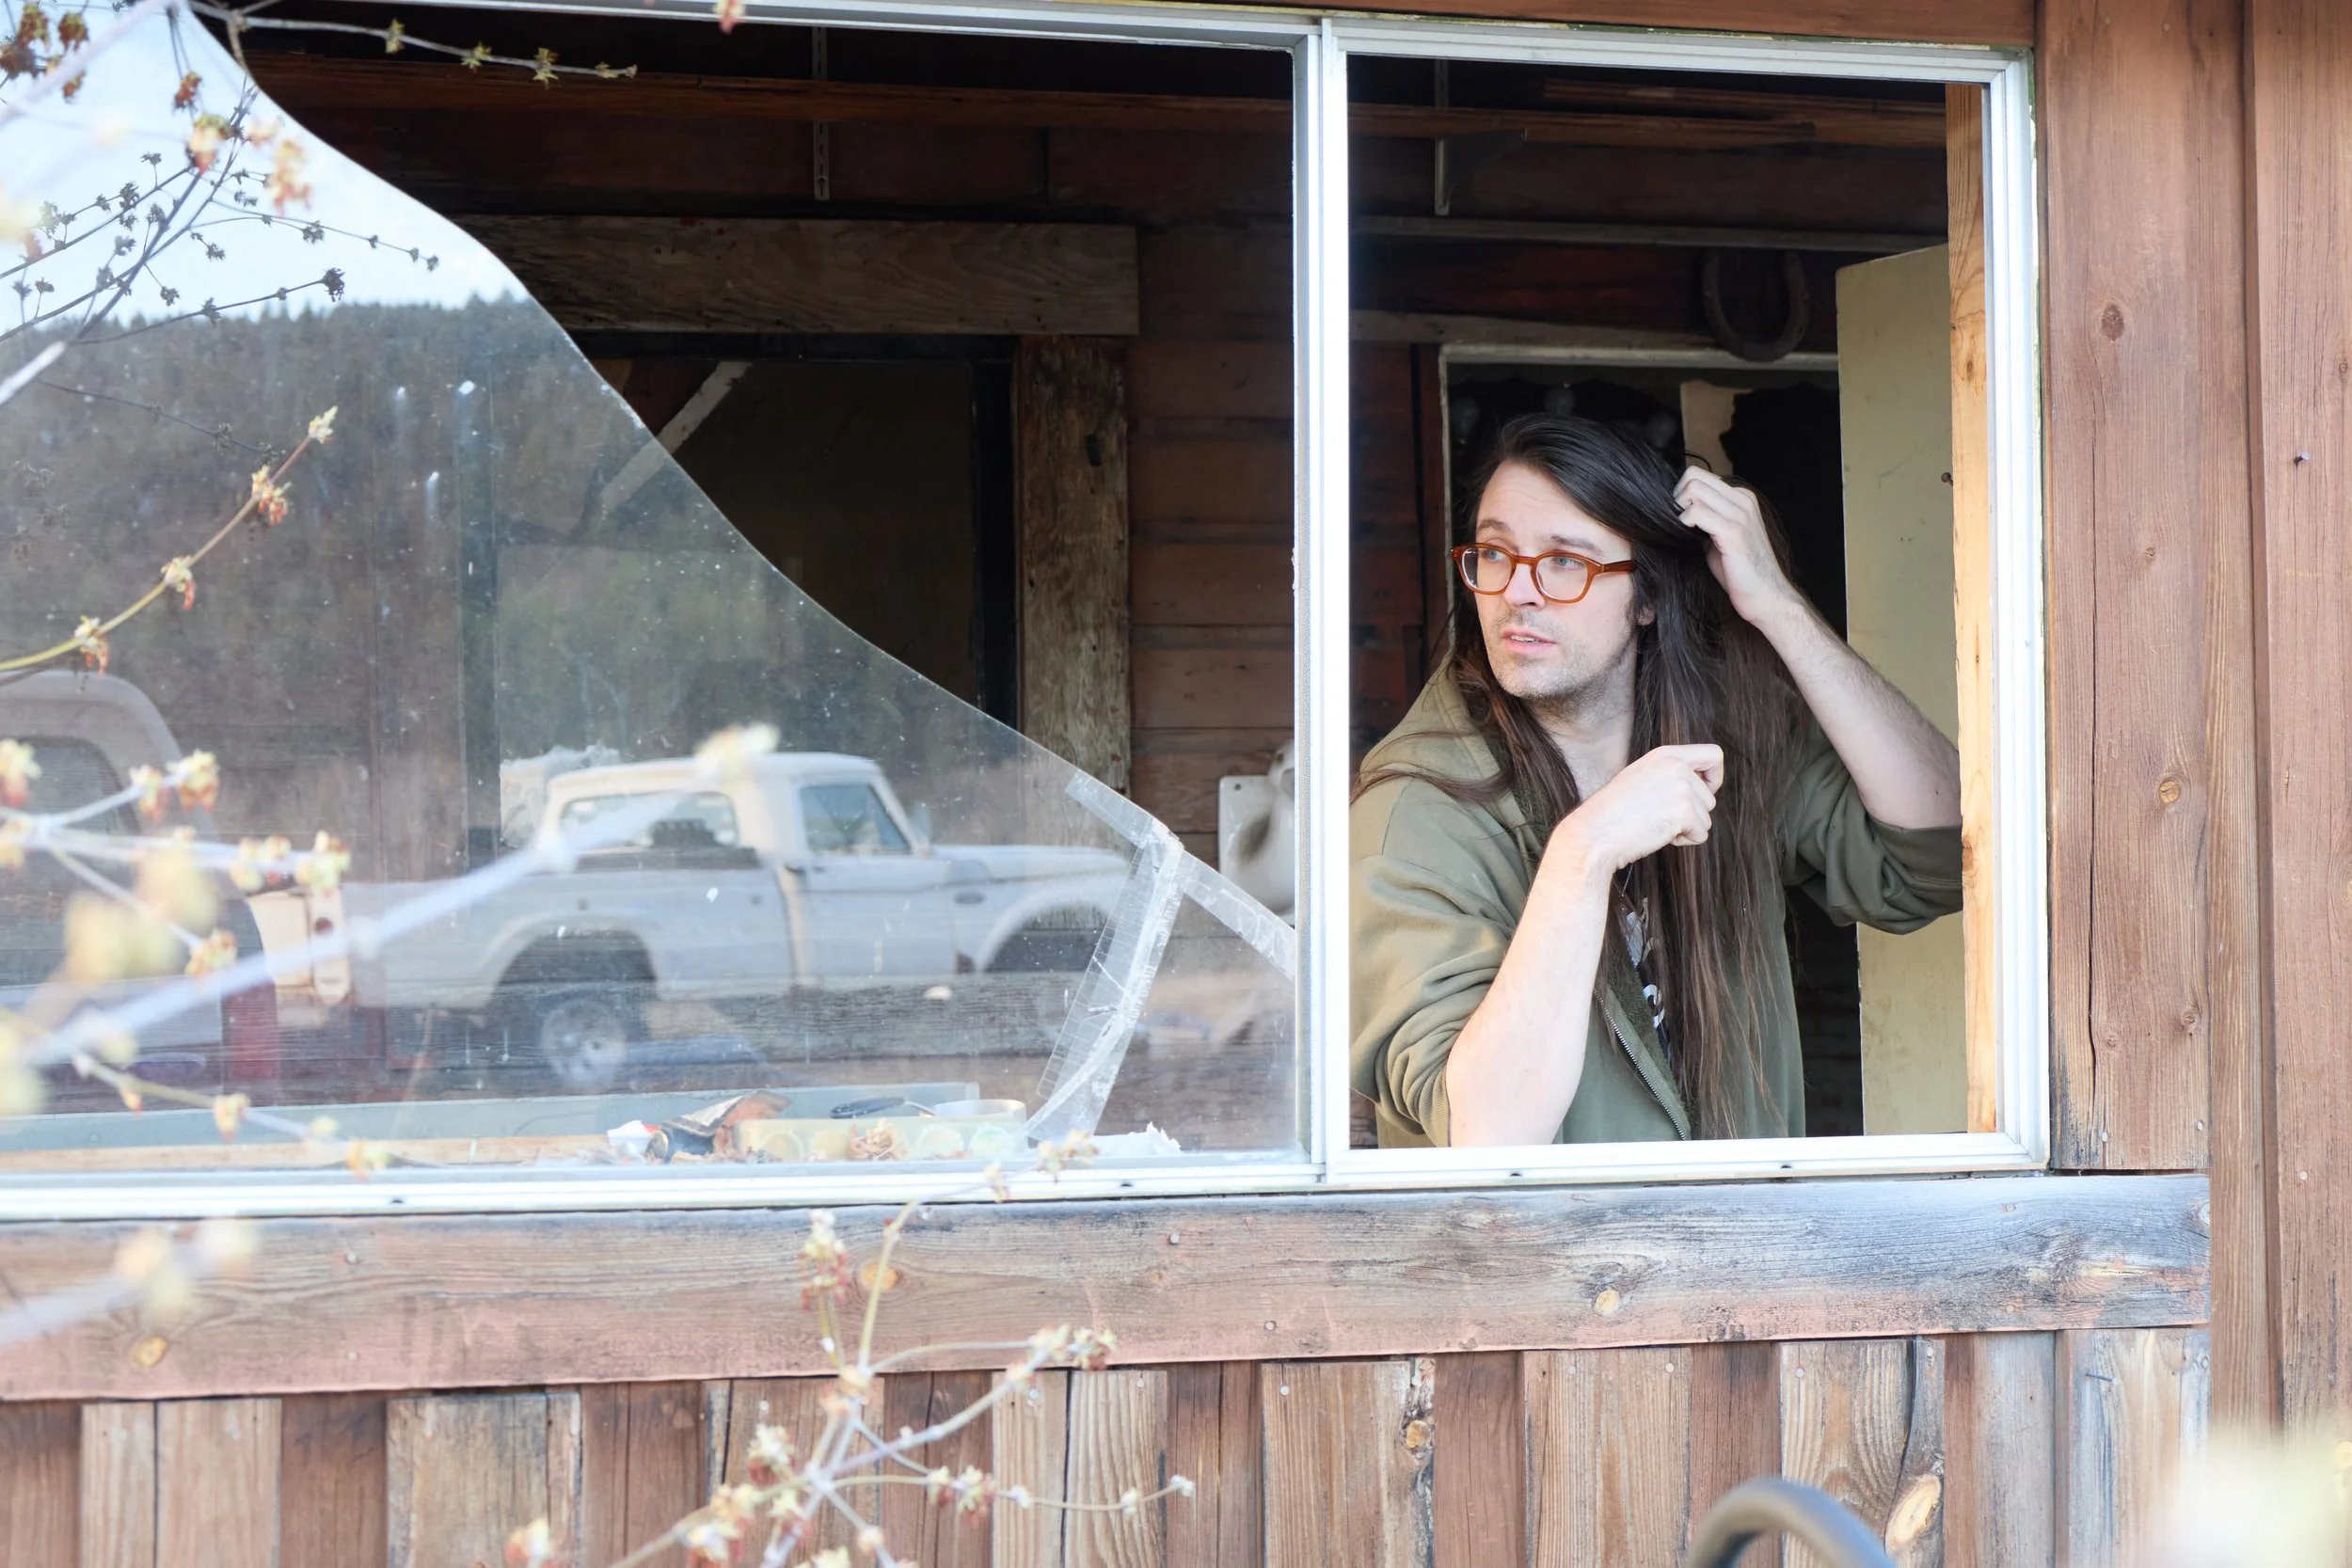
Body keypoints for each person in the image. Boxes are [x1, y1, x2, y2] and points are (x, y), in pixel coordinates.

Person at [1351, 415, 1963, 1147]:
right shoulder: (1413, 810)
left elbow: (1940, 853)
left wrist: (1778, 606)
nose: (1517, 592)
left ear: (1648, 597)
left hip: (1738, 1223)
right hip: (1556, 1232)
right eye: (1495, 553)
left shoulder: (1727, 735)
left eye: (1565, 561)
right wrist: (1583, 855)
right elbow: (1487, 1135)